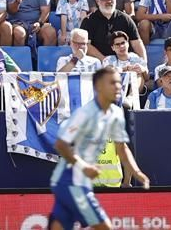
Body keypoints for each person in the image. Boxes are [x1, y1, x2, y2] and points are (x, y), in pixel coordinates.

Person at [49, 64, 150, 230]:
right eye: (112, 82)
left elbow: (122, 148)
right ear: (98, 87)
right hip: (70, 182)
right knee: (104, 227)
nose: (117, 86)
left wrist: (136, 172)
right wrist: (83, 166)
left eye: (118, 82)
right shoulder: (84, 114)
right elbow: (61, 145)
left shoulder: (116, 114)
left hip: (80, 184)